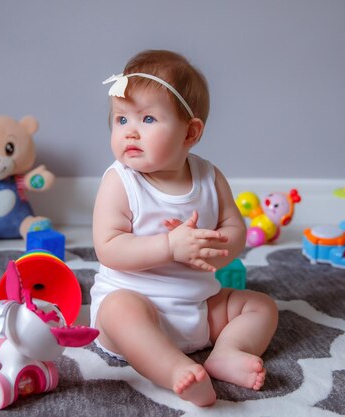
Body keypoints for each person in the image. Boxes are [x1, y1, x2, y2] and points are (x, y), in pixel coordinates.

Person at [91, 50, 278, 407]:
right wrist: (169, 247)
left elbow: (233, 228)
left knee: (261, 307)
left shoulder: (209, 177)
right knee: (118, 311)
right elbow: (109, 248)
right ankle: (175, 370)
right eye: (120, 120)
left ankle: (227, 351)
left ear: (190, 132)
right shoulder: (121, 181)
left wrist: (218, 247)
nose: (130, 131)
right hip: (139, 303)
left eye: (147, 118)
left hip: (199, 305)